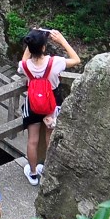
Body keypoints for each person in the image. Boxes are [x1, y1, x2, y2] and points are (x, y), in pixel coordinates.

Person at [17, 25, 80, 186]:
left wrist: (31, 36)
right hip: (51, 103)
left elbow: (23, 62)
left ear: (30, 48)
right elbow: (76, 60)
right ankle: (46, 169)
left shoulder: (25, 67)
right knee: (50, 137)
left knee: (32, 140)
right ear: (44, 47)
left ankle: (32, 173)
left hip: (32, 104)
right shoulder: (55, 62)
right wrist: (62, 41)